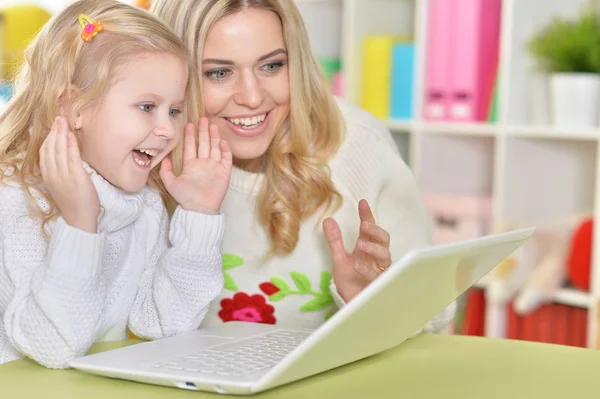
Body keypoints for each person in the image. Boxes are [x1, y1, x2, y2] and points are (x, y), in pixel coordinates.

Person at [151, 0, 455, 331]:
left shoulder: (357, 143)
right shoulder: (144, 164)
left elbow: (435, 314)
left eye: (271, 66)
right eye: (219, 73)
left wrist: (372, 303)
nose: (252, 98)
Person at [0, 0, 232, 368]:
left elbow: (164, 324)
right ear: (75, 109)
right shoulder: (18, 201)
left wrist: (199, 216)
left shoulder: (142, 203)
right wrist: (79, 225)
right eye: (146, 107)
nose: (167, 129)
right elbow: (52, 348)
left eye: (173, 111)